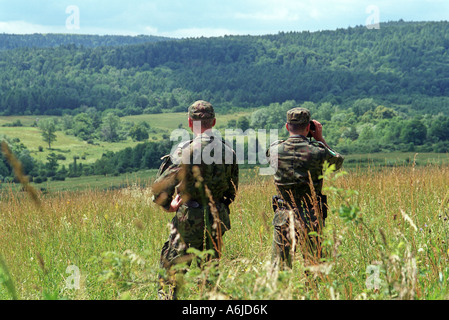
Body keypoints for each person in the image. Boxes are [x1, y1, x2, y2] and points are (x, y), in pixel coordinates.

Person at [151, 100, 239, 299]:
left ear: (190, 123)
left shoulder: (184, 151)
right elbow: (232, 191)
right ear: (214, 121)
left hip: (188, 219)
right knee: (210, 275)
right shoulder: (229, 151)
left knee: (172, 271)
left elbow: (160, 186)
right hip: (217, 217)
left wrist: (168, 205)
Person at [267, 107, 344, 271]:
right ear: (309, 127)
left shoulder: (274, 150)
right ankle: (314, 294)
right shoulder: (318, 151)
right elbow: (337, 162)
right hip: (311, 214)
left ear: (287, 127)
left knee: (279, 266)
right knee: (315, 264)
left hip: (283, 213)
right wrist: (320, 139)